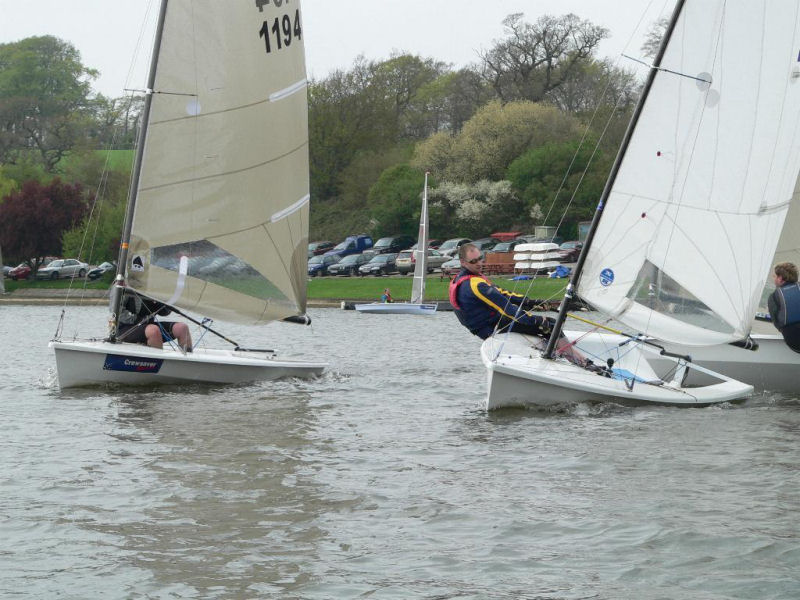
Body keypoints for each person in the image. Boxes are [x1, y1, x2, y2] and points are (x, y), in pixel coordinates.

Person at [449, 243, 554, 340]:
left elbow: (501, 293)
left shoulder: (460, 279)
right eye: (473, 261)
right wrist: (536, 320)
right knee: (552, 325)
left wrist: (528, 302)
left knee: (539, 323)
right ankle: (568, 356)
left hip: (487, 327)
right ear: (462, 262)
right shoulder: (474, 285)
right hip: (493, 329)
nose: (479, 263)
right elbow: (506, 307)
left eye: (480, 258)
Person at [113, 287, 193, 351]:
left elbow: (164, 313)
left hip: (148, 326)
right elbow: (117, 312)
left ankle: (187, 362)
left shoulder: (153, 287)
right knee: (153, 331)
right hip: (123, 329)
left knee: (182, 328)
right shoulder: (124, 286)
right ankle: (158, 364)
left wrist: (160, 304)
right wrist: (137, 319)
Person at [767, 262, 800, 352]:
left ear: (780, 278)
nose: (774, 279)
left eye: (775, 276)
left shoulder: (773, 297)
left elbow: (777, 323)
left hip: (795, 343)